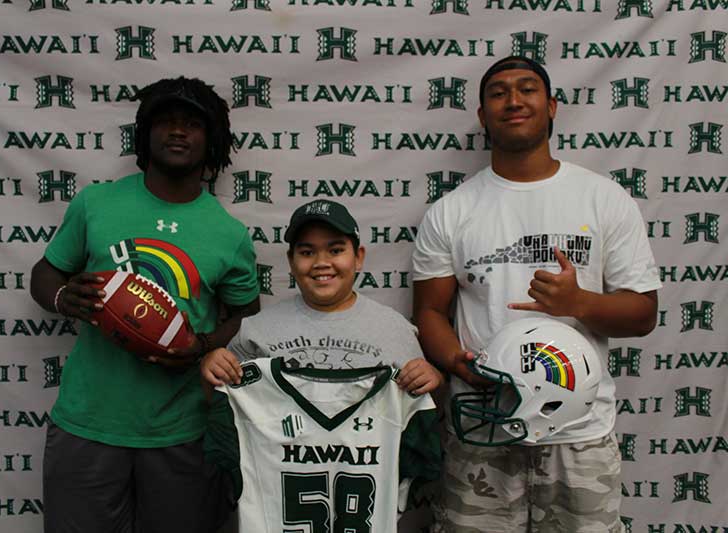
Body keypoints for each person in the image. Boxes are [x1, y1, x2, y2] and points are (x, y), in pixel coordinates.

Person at [412, 56, 661, 533]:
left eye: (526, 89)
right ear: (483, 116)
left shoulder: (603, 199)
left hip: (579, 431)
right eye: (498, 93)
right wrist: (457, 362)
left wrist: (579, 303)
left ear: (551, 107)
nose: (513, 100)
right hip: (484, 421)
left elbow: (643, 314)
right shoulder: (451, 211)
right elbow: (429, 311)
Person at [30, 76, 260, 533]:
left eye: (192, 124)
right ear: (145, 134)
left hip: (181, 428)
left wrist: (203, 346)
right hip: (87, 423)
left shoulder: (228, 233)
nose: (178, 131)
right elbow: (45, 273)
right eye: (166, 121)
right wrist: (62, 297)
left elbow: (245, 316)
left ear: (212, 140)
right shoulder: (96, 203)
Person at [201, 198, 443, 395]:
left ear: (358, 257)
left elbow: (422, 411)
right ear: (291, 261)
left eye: (336, 250)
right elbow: (223, 403)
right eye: (307, 252)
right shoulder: (255, 330)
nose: (321, 263)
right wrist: (213, 367)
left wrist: (434, 379)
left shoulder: (396, 330)